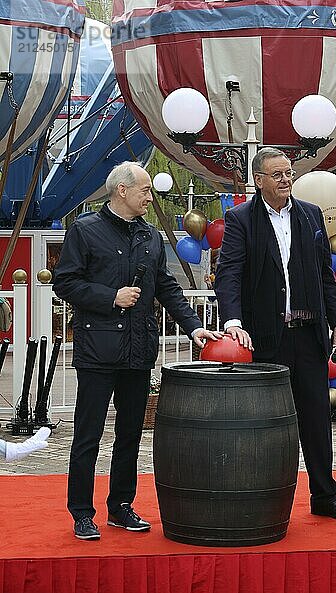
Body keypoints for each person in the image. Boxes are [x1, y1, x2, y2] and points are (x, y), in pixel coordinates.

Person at [53, 161, 221, 541]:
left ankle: (121, 506)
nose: (150, 196)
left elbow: (166, 287)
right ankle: (81, 511)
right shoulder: (85, 230)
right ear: (121, 191)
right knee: (88, 436)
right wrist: (109, 297)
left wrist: (193, 327)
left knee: (130, 434)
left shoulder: (149, 236)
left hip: (139, 350)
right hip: (98, 350)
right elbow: (65, 281)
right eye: (144, 190)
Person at [214, 147, 336, 522]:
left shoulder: (310, 215)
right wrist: (232, 321)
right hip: (267, 339)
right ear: (258, 180)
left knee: (316, 421)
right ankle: (259, 498)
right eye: (277, 174)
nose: (285, 179)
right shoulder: (240, 219)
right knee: (265, 424)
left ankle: (325, 496)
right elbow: (229, 273)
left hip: (308, 336)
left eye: (289, 173)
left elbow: (324, 275)